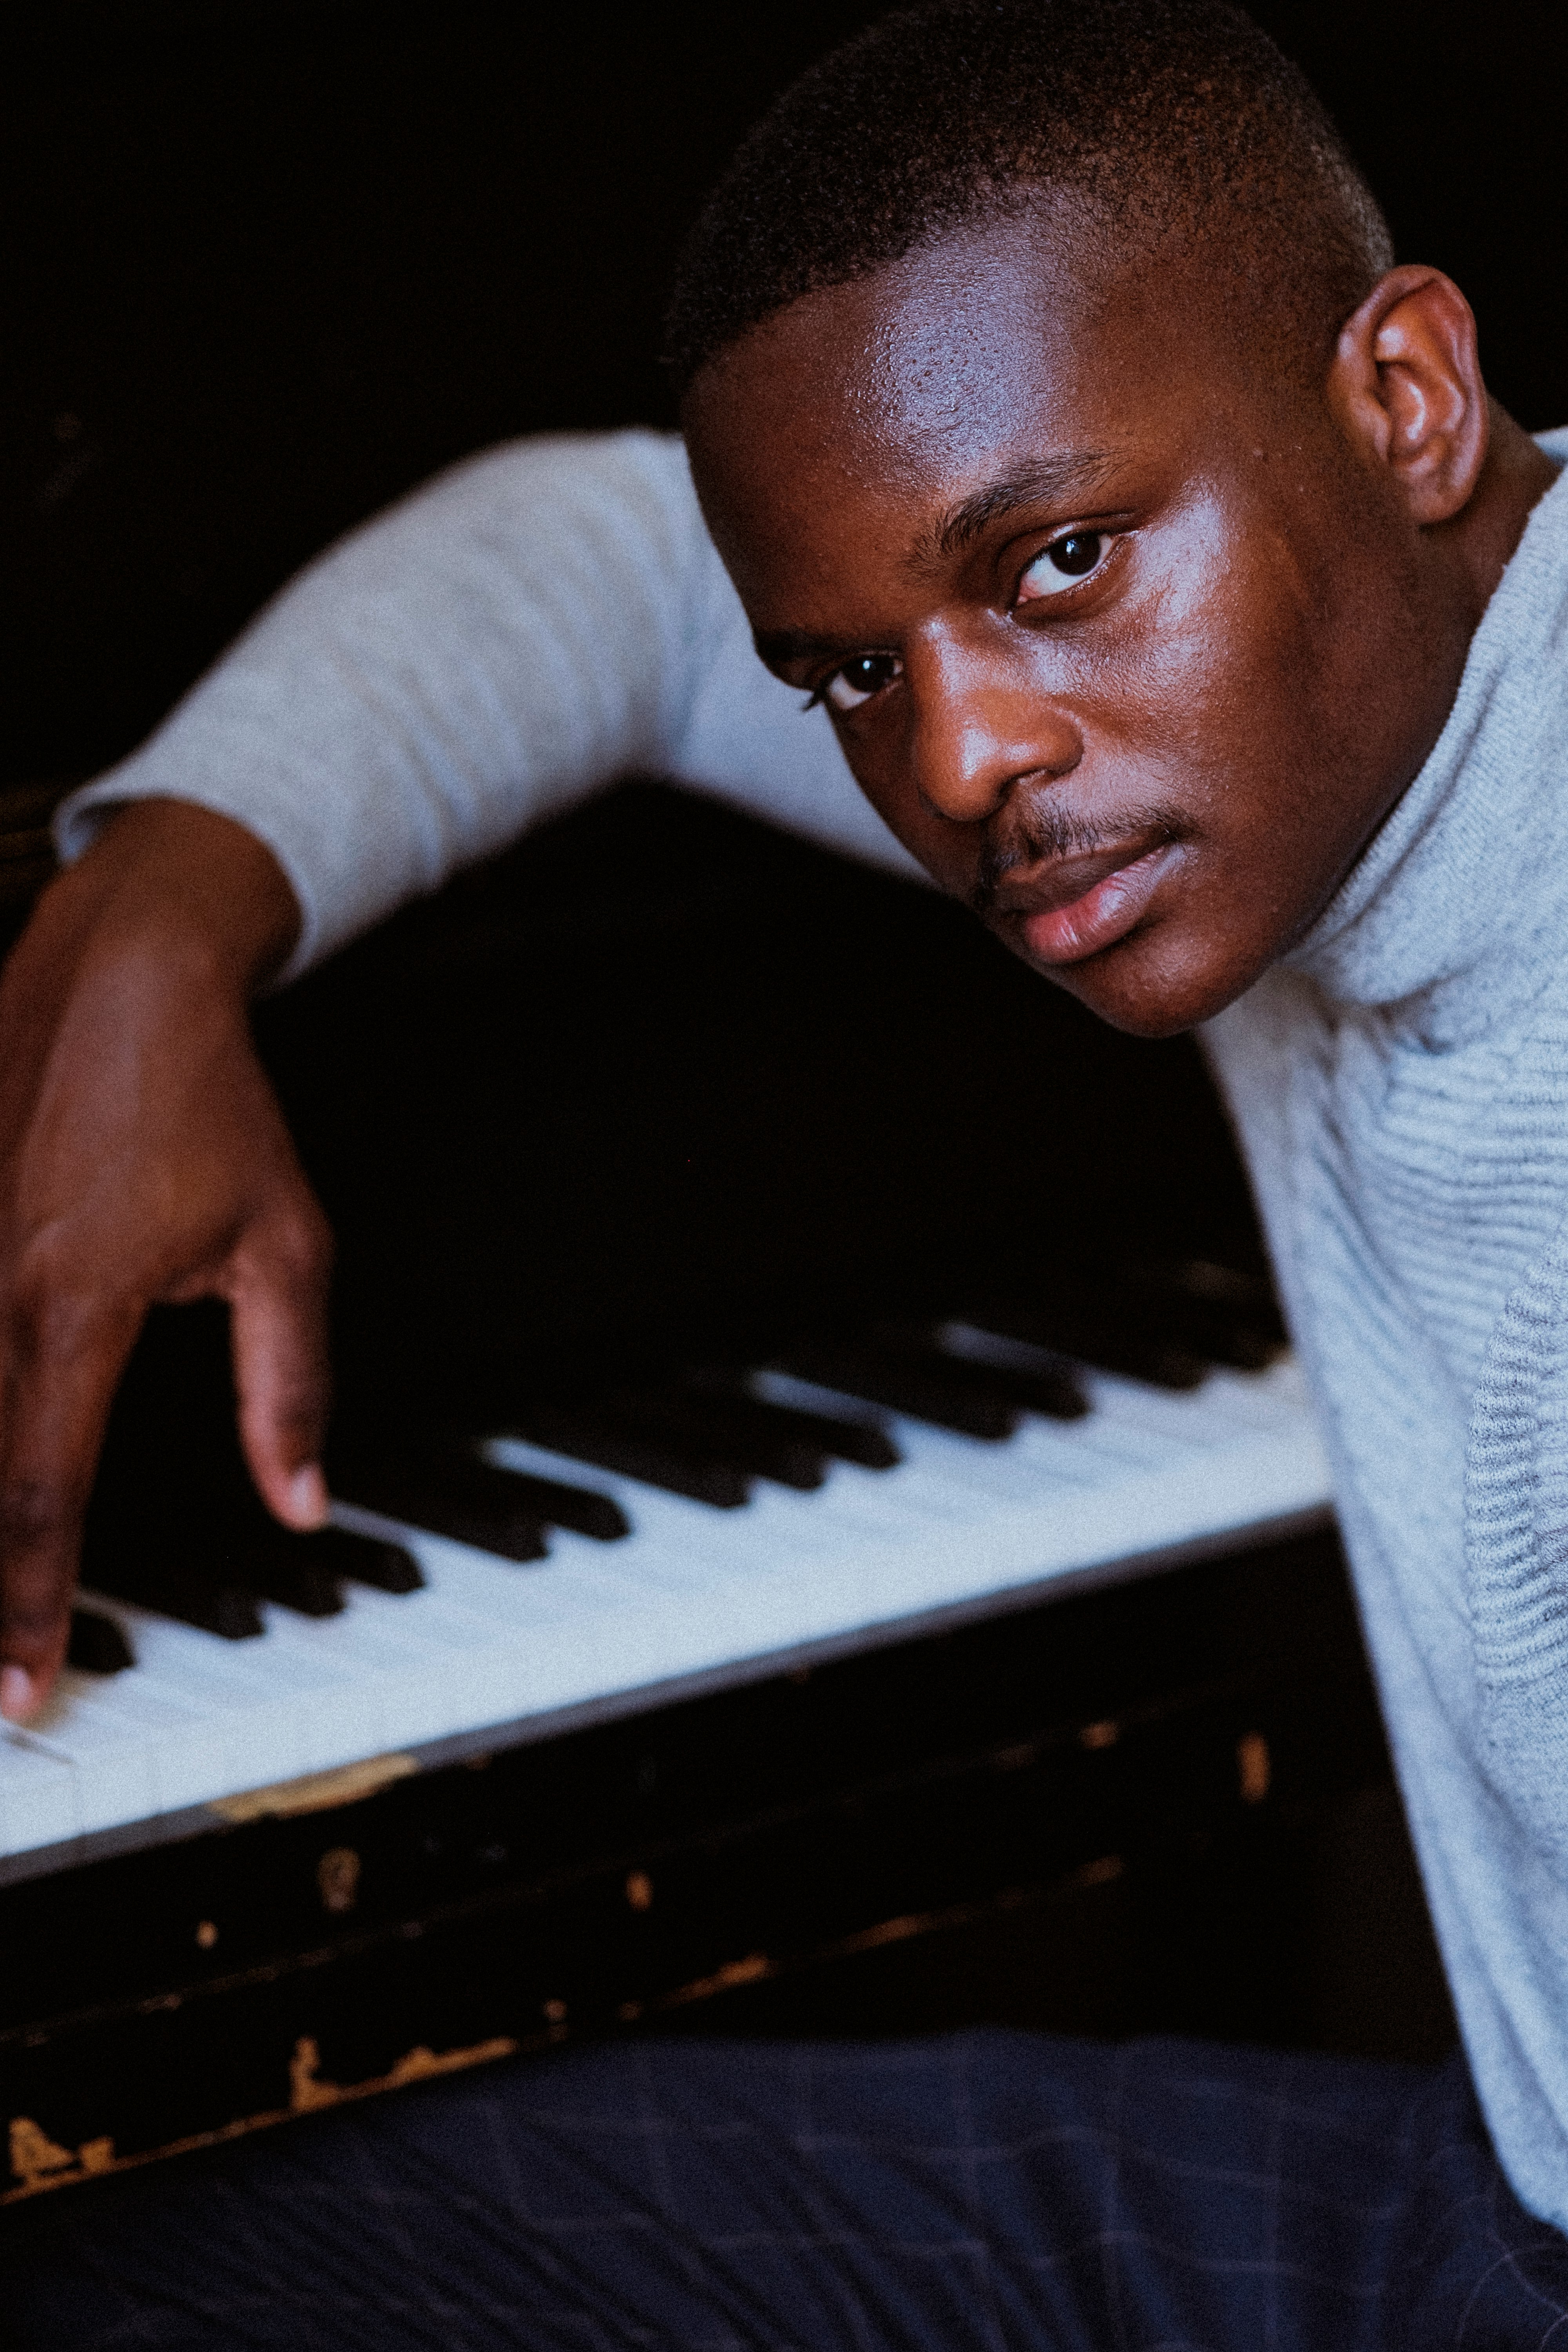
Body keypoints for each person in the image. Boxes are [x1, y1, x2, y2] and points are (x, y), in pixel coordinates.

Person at [11, 0, 1568, 2339]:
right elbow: (599, 561)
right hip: (1502, 2211)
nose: (963, 763)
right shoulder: (1230, 740)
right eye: (849, 669)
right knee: (194, 2238)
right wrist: (157, 913)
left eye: (1058, 561)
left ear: (1409, 402)